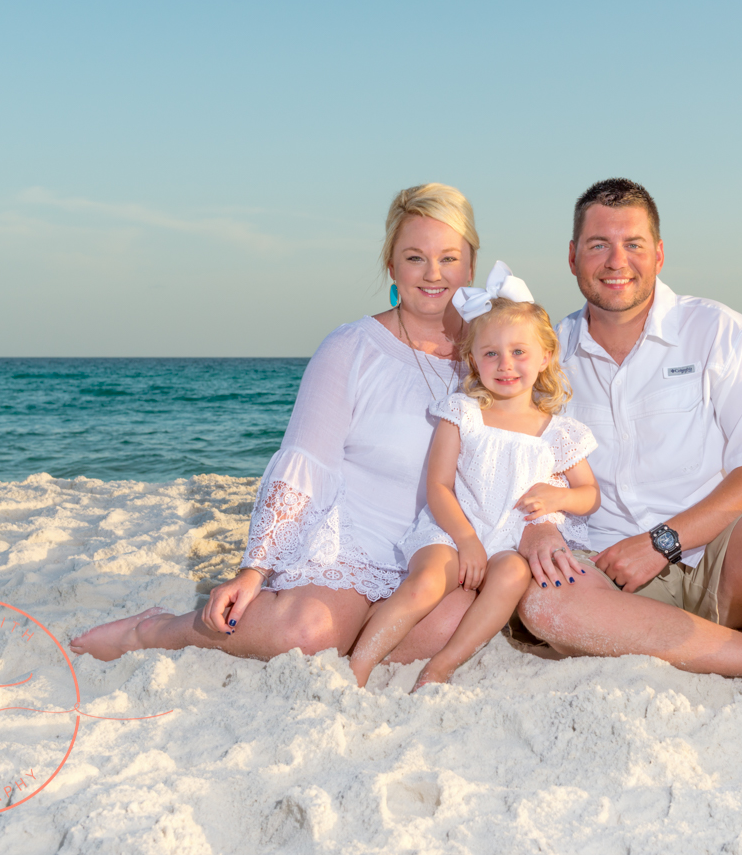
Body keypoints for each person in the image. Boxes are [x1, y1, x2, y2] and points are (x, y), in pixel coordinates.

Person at [514, 178, 742, 751]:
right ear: (572, 257)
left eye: (634, 244)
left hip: (722, 562)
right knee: (542, 600)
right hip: (612, 581)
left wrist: (661, 540)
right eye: (598, 245)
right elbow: (517, 465)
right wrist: (537, 526)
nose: (617, 262)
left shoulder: (717, 331)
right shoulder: (542, 356)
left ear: (659, 253)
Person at [70, 184, 482, 664]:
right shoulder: (351, 348)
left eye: (449, 258)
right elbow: (306, 463)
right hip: (353, 544)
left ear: (471, 265)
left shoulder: (495, 354)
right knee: (308, 633)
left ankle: (350, 627)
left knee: (450, 625)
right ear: (391, 266)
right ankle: (156, 630)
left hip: (436, 554)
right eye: (415, 258)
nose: (433, 274)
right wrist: (254, 571)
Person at [348, 263, 600, 690]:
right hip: (452, 531)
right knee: (427, 582)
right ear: (473, 360)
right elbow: (439, 486)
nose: (506, 365)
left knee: (515, 576)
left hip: (507, 539)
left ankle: (442, 665)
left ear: (546, 356)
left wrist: (559, 499)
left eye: (520, 352)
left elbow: (589, 494)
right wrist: (466, 541)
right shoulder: (464, 414)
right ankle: (358, 666)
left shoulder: (559, 432)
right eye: (491, 353)